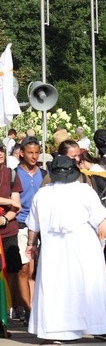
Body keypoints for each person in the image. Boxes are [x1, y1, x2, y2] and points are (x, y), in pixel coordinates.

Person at [26, 155, 106, 344]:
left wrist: (31, 245)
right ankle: (97, 326)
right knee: (88, 285)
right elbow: (100, 219)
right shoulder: (85, 191)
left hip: (54, 250)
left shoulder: (42, 194)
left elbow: (33, 227)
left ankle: (55, 331)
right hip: (84, 248)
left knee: (56, 286)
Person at [13, 136, 45, 326]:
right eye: (30, 153)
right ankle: (26, 308)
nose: (34, 156)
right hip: (22, 224)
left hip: (43, 226)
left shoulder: (45, 173)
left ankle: (40, 305)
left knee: (41, 268)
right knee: (24, 268)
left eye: (36, 152)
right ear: (21, 153)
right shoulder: (14, 174)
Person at [0, 144, 22, 338]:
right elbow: (12, 202)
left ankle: (13, 308)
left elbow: (18, 205)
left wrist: (5, 217)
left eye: (0, 149)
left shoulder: (12, 174)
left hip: (8, 231)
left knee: (12, 270)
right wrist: (7, 202)